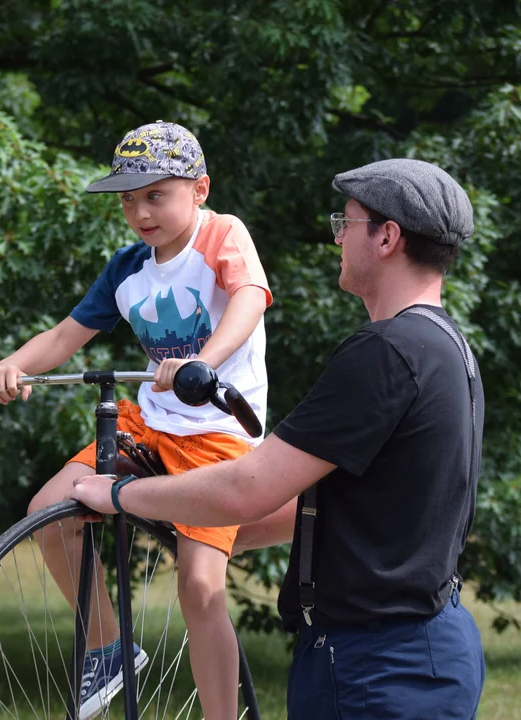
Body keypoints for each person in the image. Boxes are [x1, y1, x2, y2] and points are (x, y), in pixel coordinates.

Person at [69, 158, 487, 719]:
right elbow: (344, 504)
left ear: (387, 237)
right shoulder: (448, 349)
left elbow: (250, 487)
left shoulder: (385, 353)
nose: (337, 236)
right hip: (418, 648)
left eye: (348, 223)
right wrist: (198, 528)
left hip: (378, 667)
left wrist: (119, 497)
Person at [0, 120, 273, 720]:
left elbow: (249, 297)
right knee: (48, 514)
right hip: (151, 427)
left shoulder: (221, 235)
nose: (141, 211)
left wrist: (202, 362)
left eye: (155, 195)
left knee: (198, 587)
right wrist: (11, 366)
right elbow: (66, 335)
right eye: (128, 200)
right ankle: (109, 646)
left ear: (199, 189)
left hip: (218, 436)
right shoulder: (127, 268)